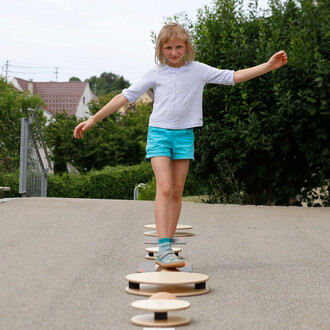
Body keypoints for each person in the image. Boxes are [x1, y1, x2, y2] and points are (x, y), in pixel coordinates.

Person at [74, 23, 288, 268]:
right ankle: (163, 247)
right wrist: (92, 119)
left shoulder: (198, 70)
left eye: (178, 47)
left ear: (186, 47)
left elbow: (233, 76)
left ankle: (168, 244)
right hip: (159, 134)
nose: (174, 52)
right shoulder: (155, 73)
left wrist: (269, 66)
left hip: (185, 135)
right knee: (164, 187)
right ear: (160, 49)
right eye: (168, 48)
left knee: (177, 191)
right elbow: (123, 97)